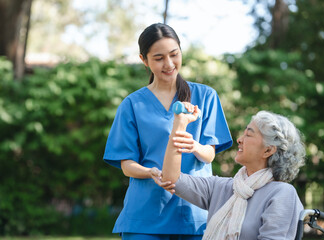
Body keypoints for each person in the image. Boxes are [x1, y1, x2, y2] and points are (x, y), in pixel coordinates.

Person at [103, 23, 233, 240]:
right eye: (159, 58)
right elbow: (127, 165)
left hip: (194, 213)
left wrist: (195, 146)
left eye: (174, 54)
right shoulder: (132, 105)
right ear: (144, 60)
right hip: (146, 215)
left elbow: (209, 155)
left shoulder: (206, 96)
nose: (169, 64)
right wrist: (151, 172)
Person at [158, 107, 306, 239]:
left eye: (248, 135)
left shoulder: (282, 193)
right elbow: (171, 178)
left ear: (268, 150)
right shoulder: (222, 187)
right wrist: (180, 124)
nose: (239, 139)